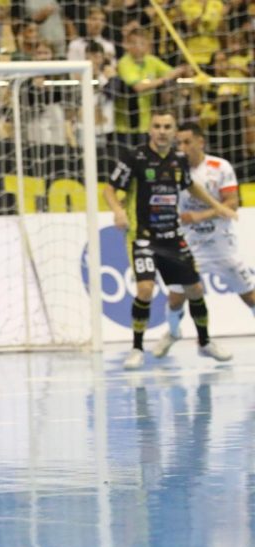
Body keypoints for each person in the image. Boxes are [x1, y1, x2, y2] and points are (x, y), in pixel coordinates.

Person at [104, 110, 236, 370]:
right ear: (150, 129)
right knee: (144, 289)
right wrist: (118, 211)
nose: (162, 131)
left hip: (173, 238)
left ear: (174, 131)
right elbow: (110, 189)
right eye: (157, 126)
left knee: (195, 290)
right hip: (143, 237)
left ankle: (205, 342)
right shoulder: (135, 157)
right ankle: (137, 348)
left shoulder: (179, 159)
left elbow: (191, 185)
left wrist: (216, 206)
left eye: (167, 126)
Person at [152, 123, 255, 357]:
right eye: (179, 143)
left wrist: (200, 215)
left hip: (220, 244)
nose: (182, 147)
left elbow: (231, 204)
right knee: (176, 297)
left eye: (187, 142)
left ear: (200, 142)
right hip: (187, 245)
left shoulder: (220, 167)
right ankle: (174, 332)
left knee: (249, 294)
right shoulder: (172, 168)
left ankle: (202, 342)